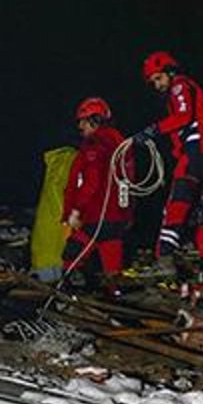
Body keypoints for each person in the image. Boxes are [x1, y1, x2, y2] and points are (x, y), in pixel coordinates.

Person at [136, 51, 203, 272]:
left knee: (176, 205)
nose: (157, 85)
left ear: (170, 72)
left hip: (196, 153)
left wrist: (154, 129)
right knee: (189, 218)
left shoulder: (180, 85)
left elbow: (184, 116)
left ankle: (164, 258)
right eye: (153, 82)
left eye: (158, 78)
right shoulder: (184, 89)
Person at [60, 97, 132, 281]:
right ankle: (115, 301)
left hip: (96, 215)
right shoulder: (119, 142)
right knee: (112, 269)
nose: (80, 126)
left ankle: (65, 298)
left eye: (83, 121)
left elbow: (92, 181)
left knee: (71, 256)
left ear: (94, 120)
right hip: (117, 217)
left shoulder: (96, 144)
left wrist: (76, 210)